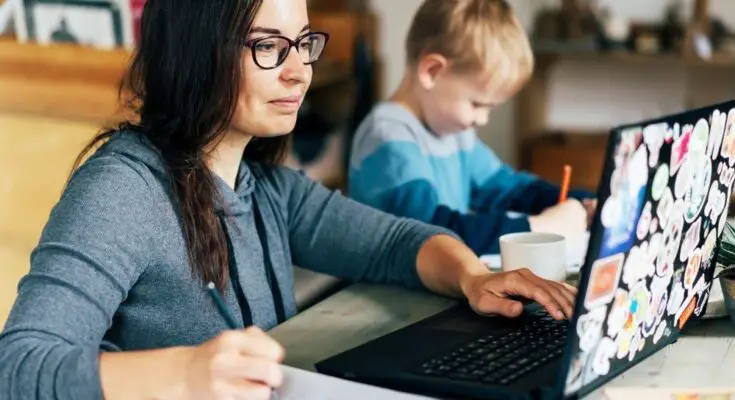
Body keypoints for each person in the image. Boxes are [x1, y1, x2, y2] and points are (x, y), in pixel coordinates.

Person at [0, 1, 578, 399]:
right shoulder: (122, 189)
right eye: (270, 47)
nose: (301, 70)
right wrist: (186, 372)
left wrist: (472, 277)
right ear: (197, 52)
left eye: (303, 43)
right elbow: (18, 368)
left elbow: (396, 242)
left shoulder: (265, 186)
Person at [348, 0, 596, 255]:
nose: (482, 119)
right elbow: (431, 232)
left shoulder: (454, 132)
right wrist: (538, 227)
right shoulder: (388, 136)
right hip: (383, 290)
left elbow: (508, 188)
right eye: (477, 104)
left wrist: (577, 201)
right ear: (432, 71)